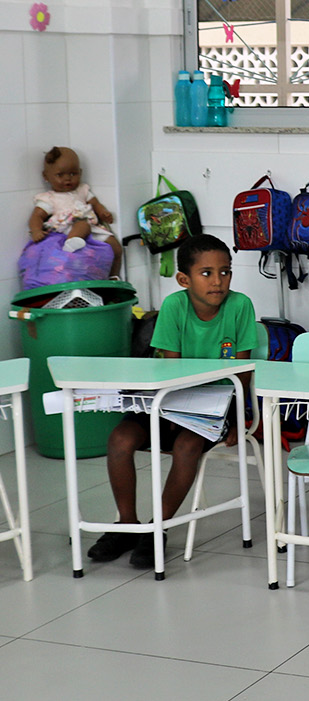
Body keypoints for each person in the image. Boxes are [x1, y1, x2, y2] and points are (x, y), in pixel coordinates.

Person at [85, 233, 256, 568]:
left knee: (187, 447)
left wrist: (238, 417)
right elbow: (171, 370)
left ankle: (156, 528)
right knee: (120, 439)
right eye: (206, 273)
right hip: (170, 399)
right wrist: (171, 408)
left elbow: (242, 373)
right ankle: (127, 525)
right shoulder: (175, 306)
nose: (218, 281)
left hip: (216, 405)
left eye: (225, 272)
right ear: (183, 279)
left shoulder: (240, 306)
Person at [30, 146, 122, 278]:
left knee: (116, 247)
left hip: (92, 228)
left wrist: (103, 213)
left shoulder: (83, 190)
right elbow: (37, 216)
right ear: (46, 176)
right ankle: (71, 244)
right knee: (82, 224)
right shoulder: (49, 198)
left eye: (73, 174)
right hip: (66, 229)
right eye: (60, 175)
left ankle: (113, 277)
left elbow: (96, 204)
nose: (68, 179)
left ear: (80, 172)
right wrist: (36, 230)